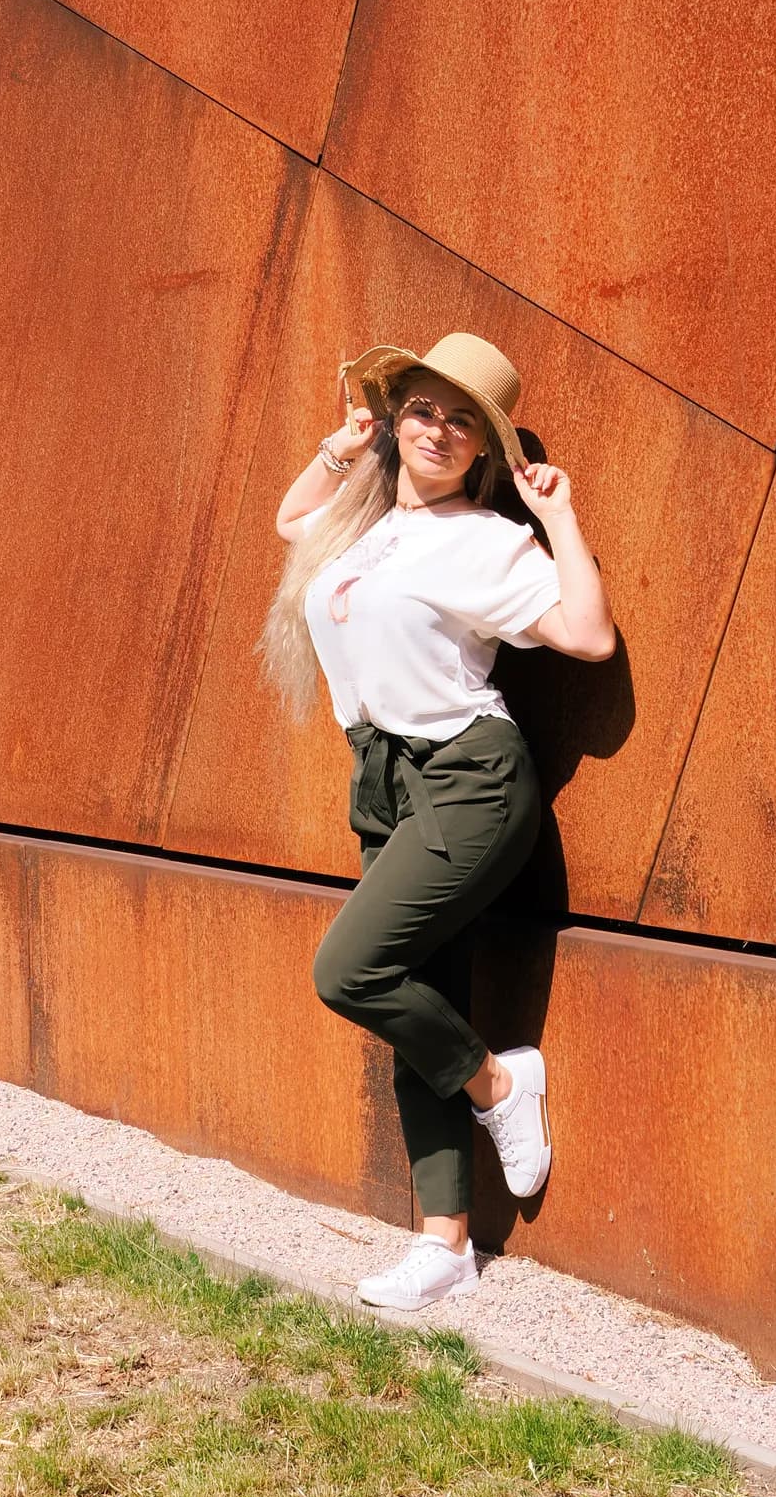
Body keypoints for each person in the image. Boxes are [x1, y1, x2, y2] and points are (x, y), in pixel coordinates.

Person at [260, 333, 616, 1311]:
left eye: (462, 421)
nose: (438, 430)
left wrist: (560, 518)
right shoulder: (363, 527)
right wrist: (343, 445)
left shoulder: (487, 540)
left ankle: (503, 1087)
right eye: (423, 409)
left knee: (352, 971)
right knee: (418, 1002)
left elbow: (587, 638)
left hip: (468, 781)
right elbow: (292, 517)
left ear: (483, 451)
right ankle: (445, 1246)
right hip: (387, 785)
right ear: (398, 420)